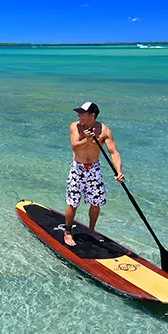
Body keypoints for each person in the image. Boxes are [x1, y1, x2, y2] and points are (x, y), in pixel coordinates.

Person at [64, 102, 124, 246]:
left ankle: (91, 230)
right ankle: (67, 232)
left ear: (92, 116)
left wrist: (119, 171)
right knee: (73, 203)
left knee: (96, 203)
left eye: (82, 114)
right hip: (77, 168)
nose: (78, 116)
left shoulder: (104, 131)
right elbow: (74, 146)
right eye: (78, 113)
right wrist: (88, 140)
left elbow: (113, 152)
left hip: (94, 169)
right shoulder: (75, 126)